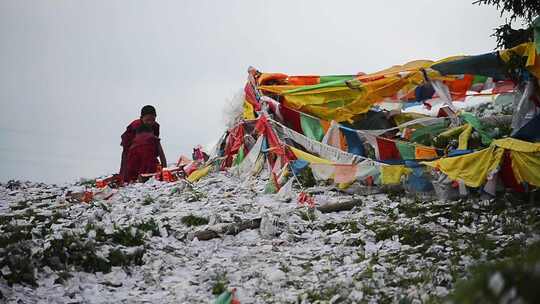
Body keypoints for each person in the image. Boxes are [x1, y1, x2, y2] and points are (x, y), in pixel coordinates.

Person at [119, 105, 167, 183]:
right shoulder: (135, 126)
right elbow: (126, 147)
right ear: (141, 118)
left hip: (149, 150)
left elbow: (157, 144)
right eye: (147, 120)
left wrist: (165, 170)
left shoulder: (155, 126)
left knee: (149, 164)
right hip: (131, 150)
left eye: (153, 119)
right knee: (128, 172)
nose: (150, 122)